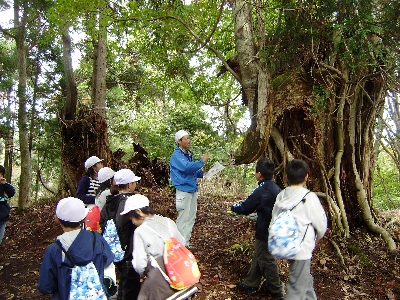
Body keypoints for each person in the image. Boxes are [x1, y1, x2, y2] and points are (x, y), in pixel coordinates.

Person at [120, 194, 198, 300]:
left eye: (131, 217)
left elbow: (139, 265)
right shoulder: (168, 222)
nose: (132, 221)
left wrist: (145, 272)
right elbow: (181, 243)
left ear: (138, 211)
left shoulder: (140, 231)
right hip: (181, 276)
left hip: (160, 282)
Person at [271, 159, 327, 300]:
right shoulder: (310, 197)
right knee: (297, 290)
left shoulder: (281, 196)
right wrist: (318, 236)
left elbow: (274, 222)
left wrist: (276, 246)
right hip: (301, 248)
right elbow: (321, 224)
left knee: (304, 280)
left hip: (286, 245)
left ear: (286, 177)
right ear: (307, 176)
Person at [37, 197, 114, 299]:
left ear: (57, 219)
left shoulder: (54, 249)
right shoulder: (97, 240)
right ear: (84, 219)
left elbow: (45, 287)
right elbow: (108, 265)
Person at [231, 158, 284, 299]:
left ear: (259, 174)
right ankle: (250, 283)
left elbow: (245, 207)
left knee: (267, 260)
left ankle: (278, 292)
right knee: (259, 255)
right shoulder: (276, 188)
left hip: (266, 230)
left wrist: (233, 207)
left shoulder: (262, 189)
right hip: (274, 228)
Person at [169, 130, 210, 249]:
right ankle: (178, 245)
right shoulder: (177, 156)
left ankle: (185, 243)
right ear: (179, 141)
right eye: (185, 139)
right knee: (183, 217)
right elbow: (186, 168)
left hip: (192, 188)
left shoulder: (188, 154)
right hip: (183, 189)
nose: (188, 141)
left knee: (191, 216)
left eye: (189, 138)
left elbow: (192, 171)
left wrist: (203, 173)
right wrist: (201, 161)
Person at [111, 169, 142, 300]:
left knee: (128, 284)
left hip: (117, 248)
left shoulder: (112, 200)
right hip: (129, 251)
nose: (135, 184)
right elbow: (124, 227)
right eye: (134, 182)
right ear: (129, 185)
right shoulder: (128, 202)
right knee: (129, 286)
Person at [0, 165, 15, 270]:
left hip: (2, 217)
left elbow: (12, 193)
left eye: (1, 174)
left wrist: (4, 184)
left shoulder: (4, 184)